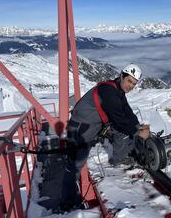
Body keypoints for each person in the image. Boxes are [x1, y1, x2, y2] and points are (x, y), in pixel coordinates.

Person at [59, 63, 150, 212]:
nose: (131, 86)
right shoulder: (109, 92)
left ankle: (70, 199)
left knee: (76, 164)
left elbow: (127, 112)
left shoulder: (116, 90)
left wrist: (138, 126)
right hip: (79, 130)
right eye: (129, 81)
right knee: (74, 167)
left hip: (86, 128)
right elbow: (118, 119)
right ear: (121, 76)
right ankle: (67, 205)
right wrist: (138, 132)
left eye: (134, 84)